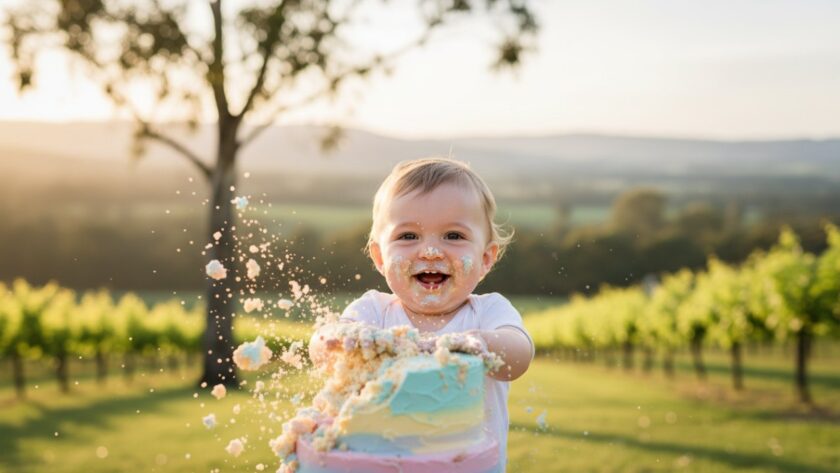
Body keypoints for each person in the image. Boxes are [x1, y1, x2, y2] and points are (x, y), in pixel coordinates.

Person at [340, 157, 534, 470]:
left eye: (453, 236)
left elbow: (520, 355)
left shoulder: (488, 312)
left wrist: (481, 344)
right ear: (379, 256)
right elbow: (330, 343)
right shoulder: (373, 312)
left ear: (485, 258)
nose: (430, 251)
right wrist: (337, 342)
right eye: (408, 236)